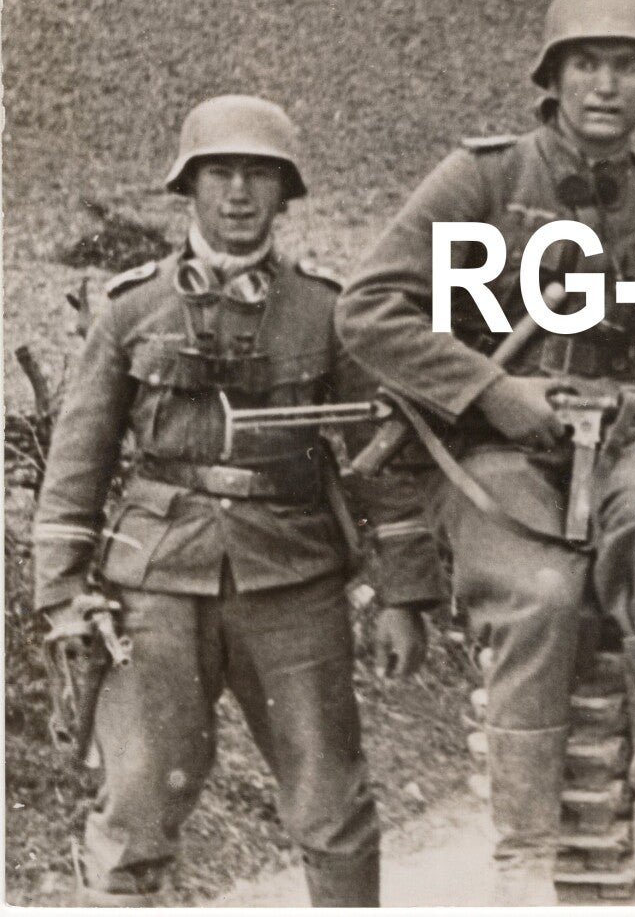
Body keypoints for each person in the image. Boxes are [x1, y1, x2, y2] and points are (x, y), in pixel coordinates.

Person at [335, 0, 635, 902]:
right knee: (536, 596)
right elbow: (369, 308)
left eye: (627, 67)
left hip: (628, 433)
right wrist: (491, 388)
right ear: (554, 78)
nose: (606, 86)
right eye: (588, 65)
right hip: (498, 451)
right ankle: (525, 853)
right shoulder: (485, 178)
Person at [32, 95, 442, 906]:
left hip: (292, 580)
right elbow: (79, 456)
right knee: (139, 799)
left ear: (285, 192)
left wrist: (406, 593)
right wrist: (61, 590)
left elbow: (377, 461)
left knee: (331, 801)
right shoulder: (131, 307)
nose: (239, 193)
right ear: (189, 187)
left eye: (260, 175)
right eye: (220, 172)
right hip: (154, 582)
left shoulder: (328, 311)